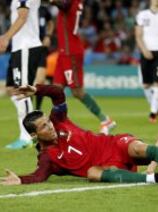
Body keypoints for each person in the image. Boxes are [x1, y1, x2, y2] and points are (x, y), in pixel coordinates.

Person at [0, 84, 158, 185]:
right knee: (92, 174)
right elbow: (39, 176)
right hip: (105, 168)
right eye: (44, 127)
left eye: (47, 122)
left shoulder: (59, 120)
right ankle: (154, 179)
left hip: (113, 145)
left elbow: (58, 93)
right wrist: (20, 179)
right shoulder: (48, 158)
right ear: (35, 136)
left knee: (139, 148)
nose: (50, 126)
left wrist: (38, 90)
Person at [50, 0, 116, 135]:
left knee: (77, 92)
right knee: (56, 90)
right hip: (63, 52)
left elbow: (64, 5)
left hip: (71, 52)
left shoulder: (70, 2)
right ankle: (59, 125)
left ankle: (105, 120)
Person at [0, 0, 46, 149]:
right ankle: (30, 133)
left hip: (26, 47)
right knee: (12, 89)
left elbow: (23, 16)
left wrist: (6, 37)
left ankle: (29, 136)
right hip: (19, 48)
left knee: (22, 91)